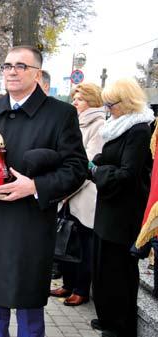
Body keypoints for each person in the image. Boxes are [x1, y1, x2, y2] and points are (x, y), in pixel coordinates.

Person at [0, 45, 87, 337]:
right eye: (7, 66)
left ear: (37, 74)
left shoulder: (60, 114)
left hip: (29, 227)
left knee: (29, 311)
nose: (12, 71)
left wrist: (34, 186)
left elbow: (77, 168)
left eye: (21, 66)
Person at [89, 78, 154, 337]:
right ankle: (106, 317)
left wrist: (96, 170)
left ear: (126, 102)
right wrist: (99, 164)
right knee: (103, 266)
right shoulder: (117, 125)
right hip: (109, 206)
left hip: (124, 210)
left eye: (110, 104)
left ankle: (120, 325)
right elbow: (109, 159)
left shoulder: (139, 129)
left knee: (119, 270)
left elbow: (127, 172)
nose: (107, 109)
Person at [49, 83, 105, 306]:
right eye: (74, 98)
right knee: (67, 242)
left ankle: (81, 289)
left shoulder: (98, 126)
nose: (75, 102)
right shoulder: (76, 122)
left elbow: (86, 164)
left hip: (83, 194)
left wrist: (64, 188)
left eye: (79, 99)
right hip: (68, 194)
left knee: (82, 245)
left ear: (91, 101)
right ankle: (68, 283)